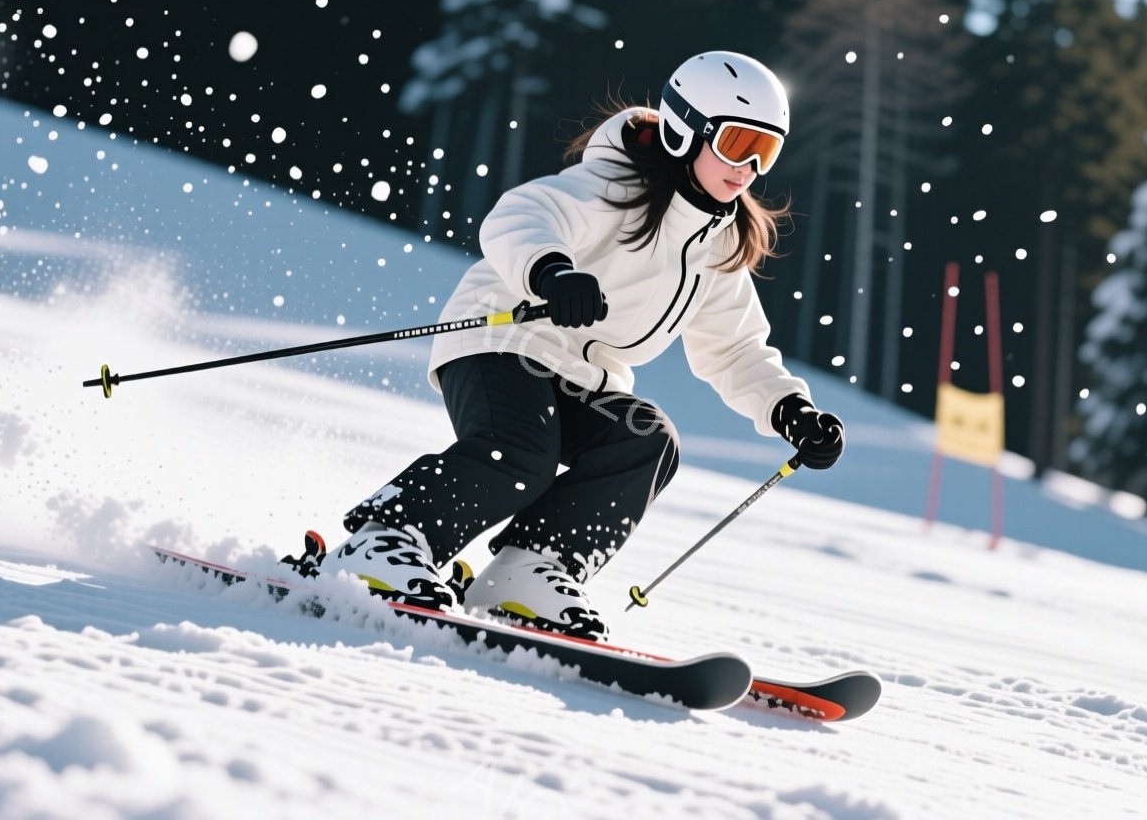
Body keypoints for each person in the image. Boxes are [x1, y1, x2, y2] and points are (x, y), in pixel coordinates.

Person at [314, 51, 845, 640]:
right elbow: (520, 214)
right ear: (682, 129)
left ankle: (531, 570)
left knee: (645, 441)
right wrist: (552, 273)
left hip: (584, 378)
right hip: (503, 336)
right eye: (736, 142)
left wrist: (789, 410)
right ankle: (385, 539)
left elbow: (736, 349)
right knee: (521, 451)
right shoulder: (614, 184)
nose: (747, 166)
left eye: (764, 151)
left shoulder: (718, 246)